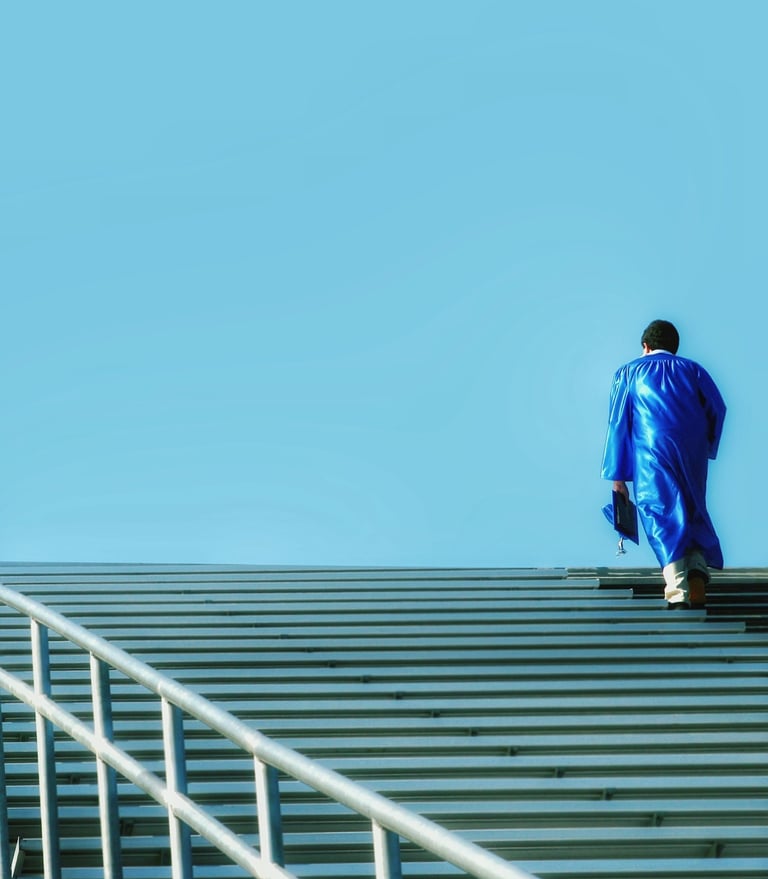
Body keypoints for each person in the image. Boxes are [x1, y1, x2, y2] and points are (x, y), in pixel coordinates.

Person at [601, 319, 726, 608]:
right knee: (692, 504)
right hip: (692, 448)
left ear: (646, 346)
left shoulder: (630, 371)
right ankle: (696, 566)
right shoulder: (694, 370)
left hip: (653, 446)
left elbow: (618, 423)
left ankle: (677, 590)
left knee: (658, 508)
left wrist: (618, 478)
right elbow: (717, 408)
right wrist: (706, 444)